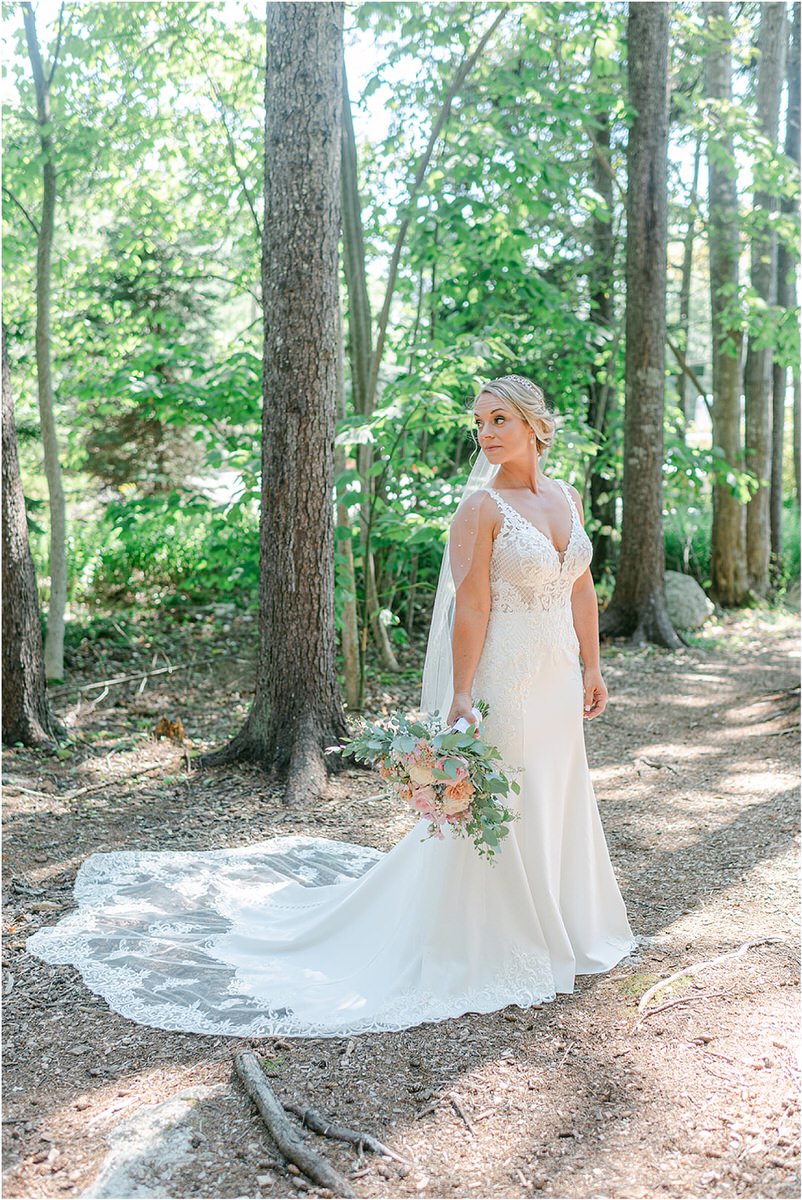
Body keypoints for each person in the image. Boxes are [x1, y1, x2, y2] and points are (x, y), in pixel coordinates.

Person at [26, 374, 637, 1038]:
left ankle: (567, 922)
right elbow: (472, 608)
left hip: (555, 677)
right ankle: (501, 939)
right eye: (478, 423)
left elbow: (579, 587)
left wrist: (593, 664)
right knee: (509, 798)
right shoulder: (481, 510)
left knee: (555, 793)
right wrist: (461, 693)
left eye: (498, 421)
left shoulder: (566, 497)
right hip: (504, 680)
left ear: (535, 427)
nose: (485, 434)